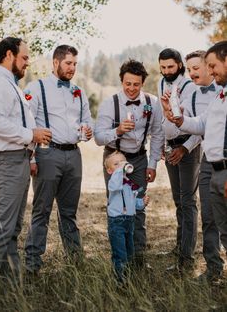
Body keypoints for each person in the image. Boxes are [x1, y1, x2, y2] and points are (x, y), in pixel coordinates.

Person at [161, 40, 227, 281]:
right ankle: (213, 269)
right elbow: (199, 124)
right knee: (210, 217)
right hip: (210, 162)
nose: (208, 71)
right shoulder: (221, 95)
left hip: (222, 163)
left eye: (211, 65)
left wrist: (187, 148)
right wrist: (175, 119)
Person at [24, 45, 93, 274]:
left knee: (69, 212)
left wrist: (87, 130)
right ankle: (33, 264)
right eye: (68, 63)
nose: (72, 68)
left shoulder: (79, 92)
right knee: (41, 210)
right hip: (47, 154)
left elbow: (87, 121)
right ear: (56, 62)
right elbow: (28, 123)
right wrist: (32, 157)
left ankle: (75, 262)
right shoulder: (37, 87)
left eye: (75, 64)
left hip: (74, 155)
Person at [0, 37, 51, 276]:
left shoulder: (10, 84)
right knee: (0, 229)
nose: (27, 63)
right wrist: (31, 134)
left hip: (18, 162)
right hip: (6, 163)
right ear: (8, 55)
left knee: (12, 228)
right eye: (24, 57)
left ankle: (10, 289)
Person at [94, 59, 164, 265]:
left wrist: (152, 164)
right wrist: (117, 131)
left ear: (142, 83)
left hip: (139, 159)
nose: (132, 88)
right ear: (121, 81)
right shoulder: (110, 103)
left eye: (136, 84)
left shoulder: (153, 103)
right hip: (114, 160)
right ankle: (120, 258)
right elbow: (98, 138)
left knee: (138, 208)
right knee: (117, 208)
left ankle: (138, 258)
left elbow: (158, 135)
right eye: (128, 83)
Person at [157, 48, 201, 273]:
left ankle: (187, 258)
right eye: (163, 67)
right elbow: (163, 120)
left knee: (188, 202)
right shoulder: (160, 84)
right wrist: (165, 147)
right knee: (178, 201)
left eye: (171, 67)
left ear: (180, 66)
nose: (166, 72)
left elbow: (199, 124)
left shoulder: (191, 87)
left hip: (189, 148)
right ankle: (179, 247)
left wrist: (184, 148)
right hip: (171, 149)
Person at [104, 151, 149, 282]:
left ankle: (128, 275)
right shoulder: (113, 182)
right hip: (116, 222)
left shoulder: (129, 183)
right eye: (116, 164)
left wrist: (142, 203)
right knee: (120, 253)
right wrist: (120, 169)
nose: (120, 165)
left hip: (129, 221)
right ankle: (119, 280)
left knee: (130, 251)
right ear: (109, 170)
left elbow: (134, 203)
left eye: (123, 162)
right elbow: (115, 185)